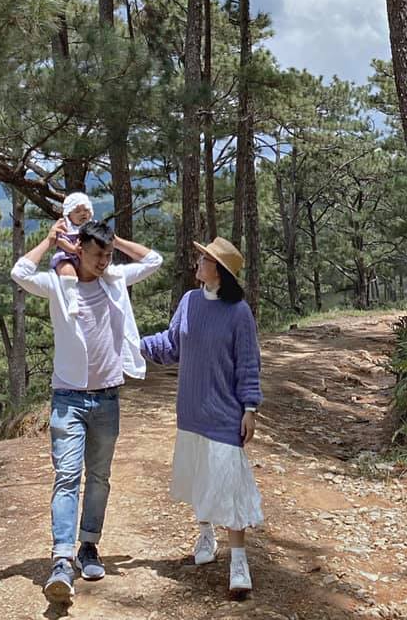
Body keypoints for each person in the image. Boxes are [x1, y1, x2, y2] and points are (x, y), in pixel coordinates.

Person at [11, 216, 163, 604]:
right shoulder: (58, 285)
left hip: (108, 398)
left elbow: (154, 260)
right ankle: (61, 560)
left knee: (99, 477)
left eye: (108, 255)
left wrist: (115, 241)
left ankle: (89, 547)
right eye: (98, 255)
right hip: (68, 398)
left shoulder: (114, 280)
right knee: (67, 476)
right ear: (79, 249)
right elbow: (19, 272)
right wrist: (49, 242)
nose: (104, 262)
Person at [140, 236, 263, 599]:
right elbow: (171, 345)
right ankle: (205, 535)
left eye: (205, 259)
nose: (198, 262)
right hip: (190, 410)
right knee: (199, 475)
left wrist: (250, 408)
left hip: (224, 414)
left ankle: (238, 561)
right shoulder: (190, 301)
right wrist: (135, 343)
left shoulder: (239, 312)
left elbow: (248, 363)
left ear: (219, 270)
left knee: (231, 486)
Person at [52, 191, 95, 315]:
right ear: (69, 214)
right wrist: (73, 249)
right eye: (77, 211)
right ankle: (72, 299)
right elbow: (59, 240)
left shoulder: (93, 226)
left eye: (86, 210)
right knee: (66, 269)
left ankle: (109, 274)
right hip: (68, 256)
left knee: (101, 260)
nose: (83, 214)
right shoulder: (64, 226)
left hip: (88, 257)